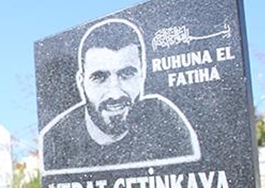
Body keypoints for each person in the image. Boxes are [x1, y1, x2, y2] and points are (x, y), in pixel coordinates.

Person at [39, 18, 200, 174]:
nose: (115, 93)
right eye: (99, 77)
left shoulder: (164, 121)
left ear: (142, 75)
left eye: (127, 74)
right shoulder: (55, 141)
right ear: (81, 82)